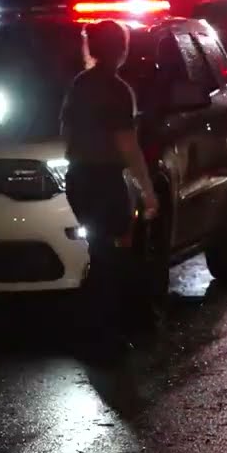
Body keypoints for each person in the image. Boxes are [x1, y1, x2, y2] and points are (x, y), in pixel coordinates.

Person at [60, 19, 160, 348]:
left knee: (99, 251)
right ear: (122, 49)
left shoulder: (79, 85)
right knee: (112, 255)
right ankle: (104, 332)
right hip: (104, 179)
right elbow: (127, 144)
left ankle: (95, 328)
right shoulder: (117, 90)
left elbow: (66, 133)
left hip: (78, 177)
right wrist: (147, 191)